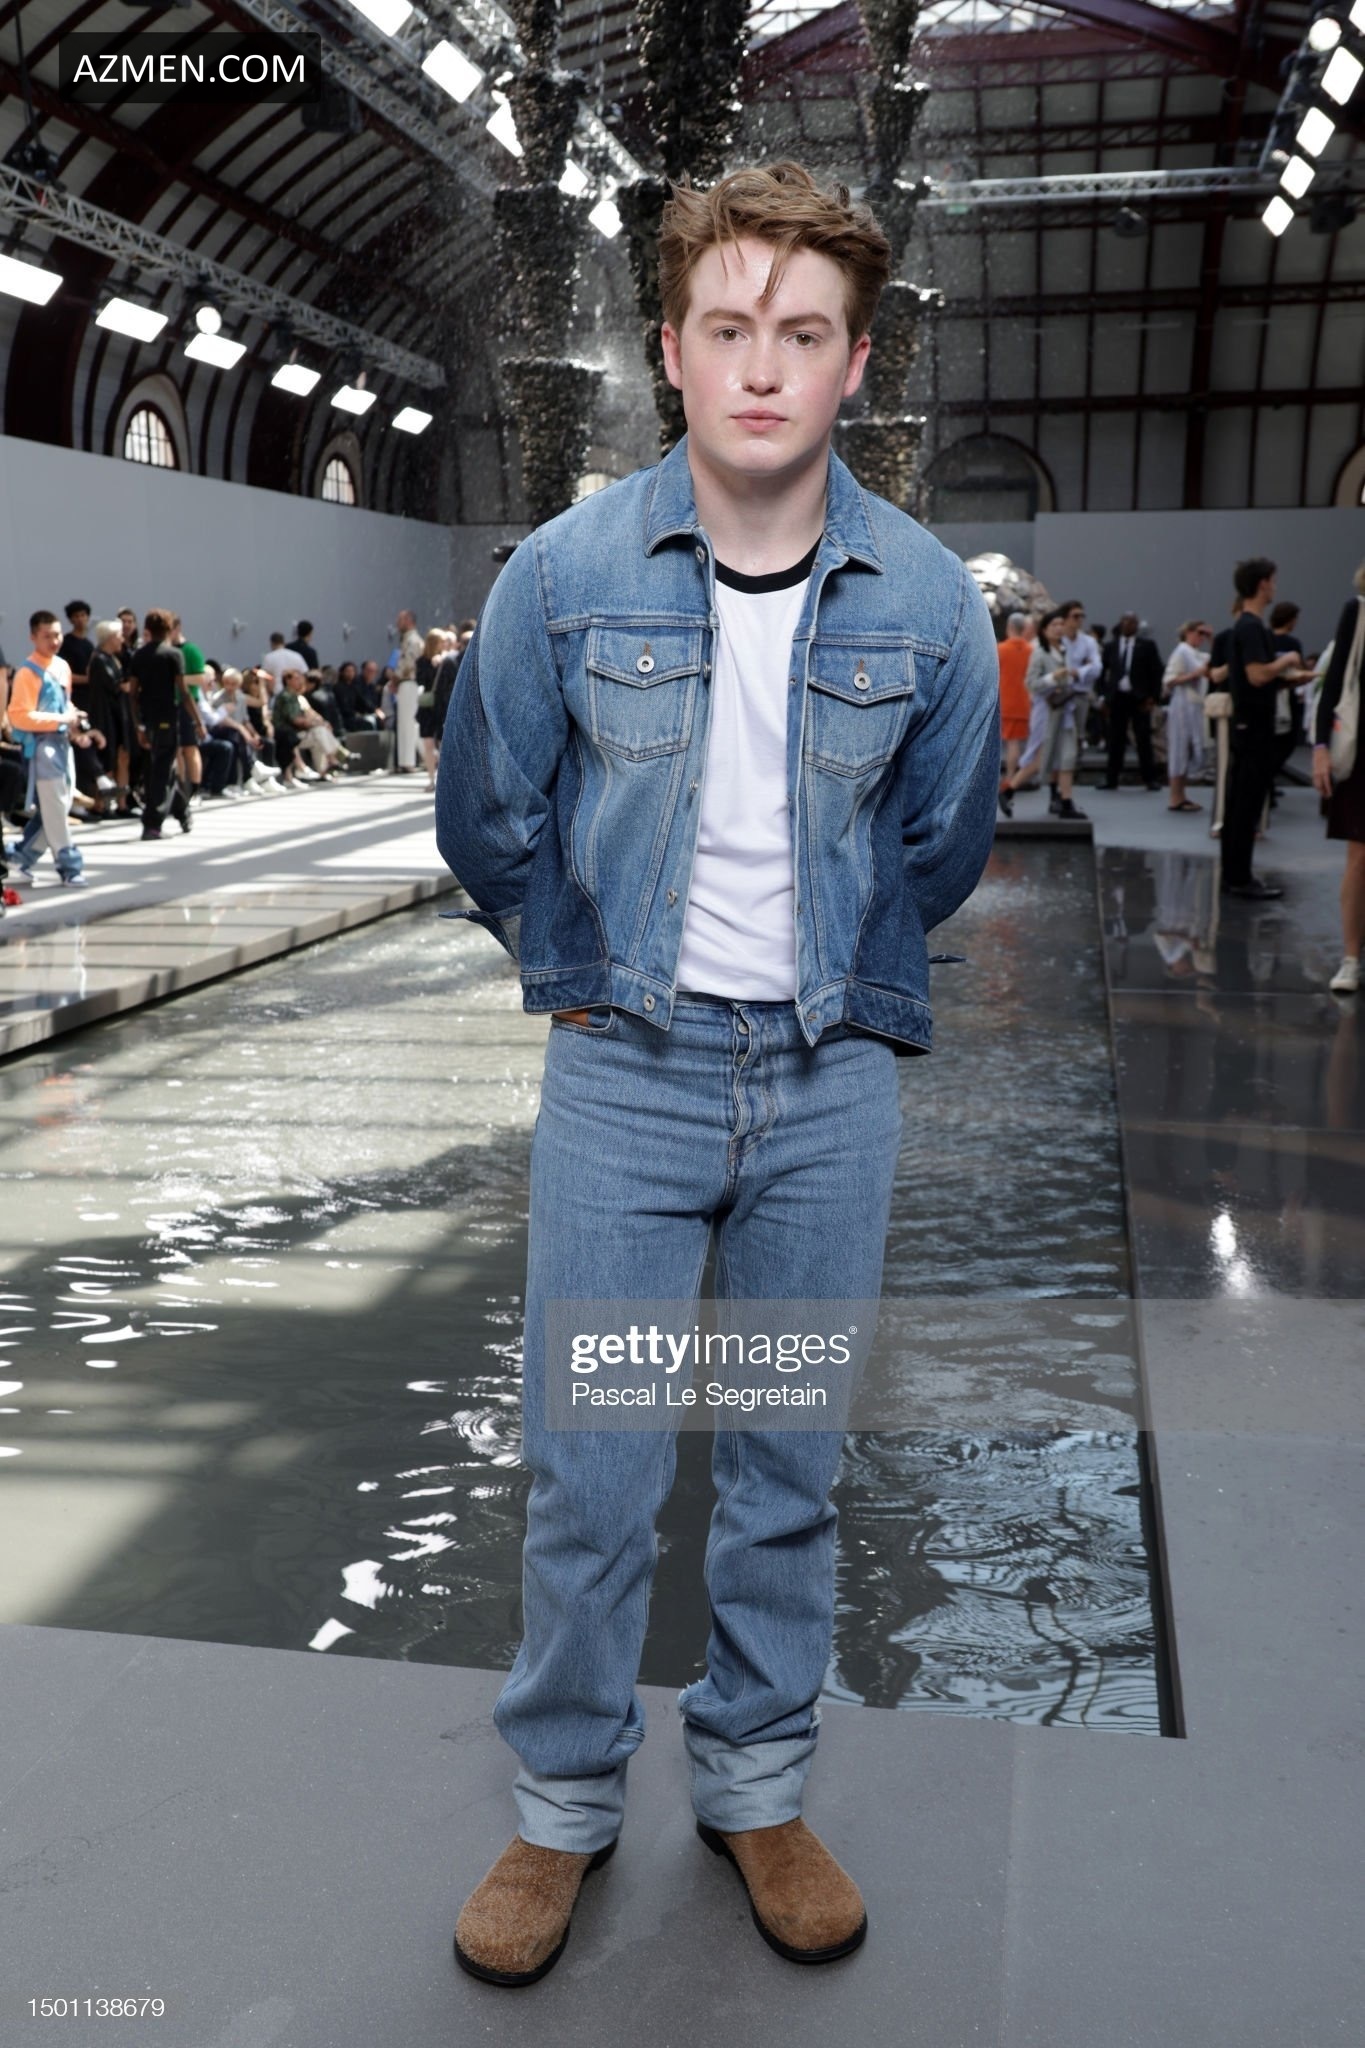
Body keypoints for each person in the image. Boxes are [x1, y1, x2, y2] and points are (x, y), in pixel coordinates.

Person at [438, 159, 999, 1987]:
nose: (766, 367)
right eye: (731, 328)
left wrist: (832, 979)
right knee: (593, 1470)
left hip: (828, 1088)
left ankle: (756, 1786)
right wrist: (579, 976)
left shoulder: (929, 602)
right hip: (632, 1078)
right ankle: (563, 1808)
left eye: (806, 334)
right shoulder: (564, 575)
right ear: (672, 348)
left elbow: (943, 844)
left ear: (856, 364)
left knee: (784, 1463)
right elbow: (488, 812)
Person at [1220, 558, 1313, 900]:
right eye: (1273, 581)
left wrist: (1287, 681)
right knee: (1246, 803)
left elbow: (1256, 679)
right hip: (1254, 727)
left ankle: (1234, 873)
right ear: (1262, 584)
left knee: (1240, 802)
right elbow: (1257, 674)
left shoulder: (1245, 626)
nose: (1275, 587)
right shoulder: (1251, 627)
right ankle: (1239, 877)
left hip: (1248, 724)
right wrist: (1286, 661)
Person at [7, 609, 95, 886]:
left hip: (62, 744)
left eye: (57, 635)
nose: (54, 641)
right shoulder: (26, 673)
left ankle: (18, 857)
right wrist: (63, 720)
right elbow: (18, 716)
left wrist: (75, 725)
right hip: (41, 749)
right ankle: (69, 866)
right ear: (33, 637)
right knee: (56, 809)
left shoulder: (62, 666)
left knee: (56, 808)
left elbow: (64, 705)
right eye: (47, 636)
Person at [1311, 560, 1365, 993]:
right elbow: (1333, 684)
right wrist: (1320, 747)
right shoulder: (1358, 610)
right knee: (1359, 857)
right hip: (1361, 750)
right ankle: (1351, 957)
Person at [999, 607, 1088, 819]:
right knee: (1040, 756)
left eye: (1060, 624)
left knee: (1066, 756)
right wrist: (1053, 678)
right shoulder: (1039, 652)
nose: (1058, 628)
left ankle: (1064, 801)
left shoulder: (1063, 650)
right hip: (1046, 711)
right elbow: (1031, 682)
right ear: (1045, 629)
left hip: (1062, 711)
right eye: (1054, 625)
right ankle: (1010, 788)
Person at [129, 609, 203, 839]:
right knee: (162, 770)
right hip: (168, 718)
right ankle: (152, 824)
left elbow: (132, 694)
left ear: (148, 630)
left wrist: (138, 725)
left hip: (147, 719)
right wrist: (198, 721)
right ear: (169, 630)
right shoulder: (174, 655)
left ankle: (182, 813)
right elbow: (184, 692)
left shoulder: (139, 656)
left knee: (163, 768)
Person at [1100, 612, 1163, 791]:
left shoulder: (1147, 646)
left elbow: (1156, 671)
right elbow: (1102, 672)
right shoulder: (1111, 646)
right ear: (1120, 624)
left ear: (1137, 626)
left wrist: (1153, 697)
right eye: (1125, 622)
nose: (1128, 625)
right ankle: (1111, 778)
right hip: (1117, 697)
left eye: (1132, 622)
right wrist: (1103, 696)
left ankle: (1149, 778)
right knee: (1115, 739)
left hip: (1139, 697)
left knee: (1143, 738)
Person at [1161, 621, 1210, 812]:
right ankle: (1175, 796)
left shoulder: (1197, 654)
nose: (1201, 637)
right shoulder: (1182, 651)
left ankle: (1181, 794)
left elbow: (1215, 660)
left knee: (1189, 747)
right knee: (1179, 747)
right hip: (1183, 705)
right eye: (1199, 633)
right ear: (1188, 632)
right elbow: (1170, 680)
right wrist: (1194, 675)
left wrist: (1212, 639)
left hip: (1195, 705)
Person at [996, 611, 1032, 795]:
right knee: (1015, 742)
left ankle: (1008, 778)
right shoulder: (1031, 650)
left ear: (1009, 627)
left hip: (1004, 700)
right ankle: (1012, 776)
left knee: (1008, 743)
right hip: (1024, 701)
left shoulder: (1000, 649)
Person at [391, 609, 423, 771]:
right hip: (406, 683)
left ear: (409, 620)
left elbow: (408, 662)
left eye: (401, 620)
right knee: (406, 723)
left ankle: (408, 762)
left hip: (409, 683)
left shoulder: (412, 640)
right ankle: (409, 760)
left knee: (408, 723)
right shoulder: (409, 639)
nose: (398, 623)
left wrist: (395, 677)